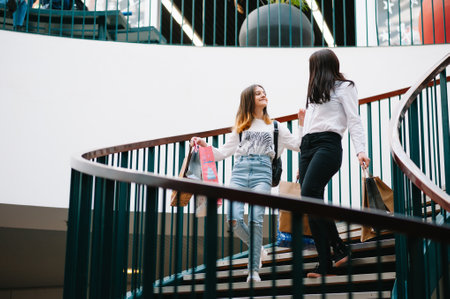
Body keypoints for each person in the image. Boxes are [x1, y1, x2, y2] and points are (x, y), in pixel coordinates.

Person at [191, 84, 303, 282]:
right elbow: (223, 153)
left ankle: (253, 272)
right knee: (232, 219)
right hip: (239, 172)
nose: (263, 95)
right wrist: (204, 144)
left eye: (264, 92)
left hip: (263, 172)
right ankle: (257, 246)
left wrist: (301, 124)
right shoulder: (241, 127)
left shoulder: (275, 126)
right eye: (258, 93)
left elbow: (298, 145)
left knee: (255, 219)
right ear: (249, 100)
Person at [298, 49, 370, 278]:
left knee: (310, 193)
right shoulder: (313, 93)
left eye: (315, 67)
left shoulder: (345, 87)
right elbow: (308, 125)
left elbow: (353, 119)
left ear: (323, 66)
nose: (313, 72)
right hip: (308, 146)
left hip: (328, 144)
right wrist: (302, 159)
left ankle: (333, 253)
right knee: (310, 201)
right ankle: (331, 256)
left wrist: (360, 150)